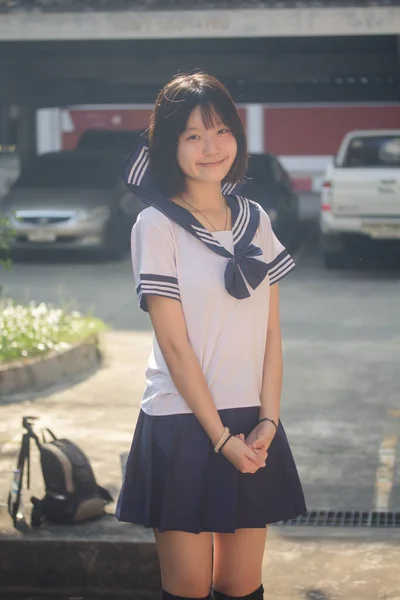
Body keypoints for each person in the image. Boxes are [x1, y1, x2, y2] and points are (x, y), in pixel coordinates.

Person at [116, 72, 306, 600]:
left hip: (252, 423)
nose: (210, 147)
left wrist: (268, 418)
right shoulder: (155, 225)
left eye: (221, 131)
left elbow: (270, 331)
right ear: (168, 144)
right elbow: (175, 347)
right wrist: (220, 438)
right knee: (190, 589)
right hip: (183, 424)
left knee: (242, 587)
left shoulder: (256, 219)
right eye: (193, 135)